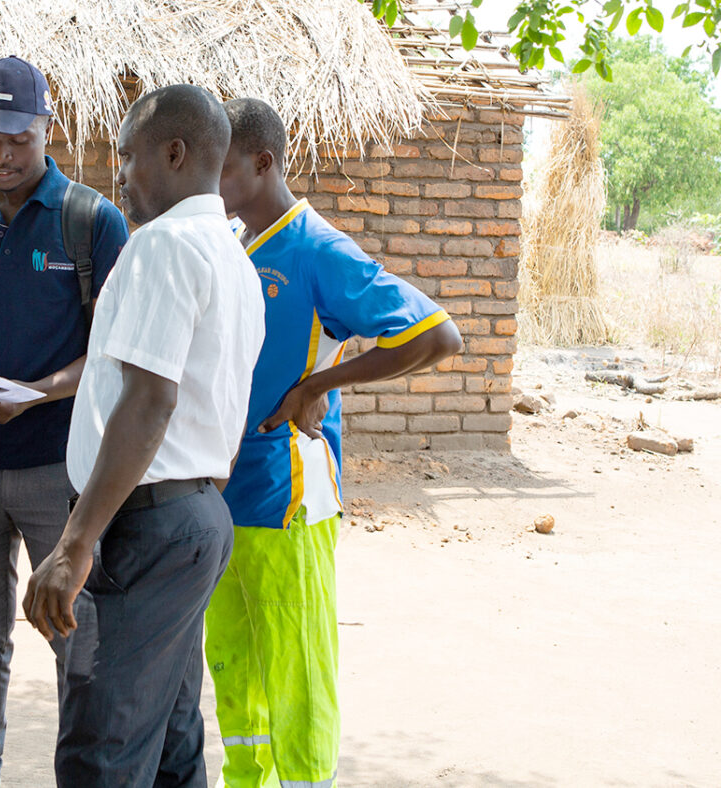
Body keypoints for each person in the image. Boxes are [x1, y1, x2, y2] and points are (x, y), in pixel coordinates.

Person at [206, 97, 463, 788]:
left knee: (298, 672)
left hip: (288, 495)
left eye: (222, 167)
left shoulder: (317, 249)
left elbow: (436, 335)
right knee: (236, 665)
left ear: (263, 164)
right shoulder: (232, 246)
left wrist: (321, 383)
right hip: (223, 495)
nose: (210, 181)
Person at [23, 84, 263, 787]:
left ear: (175, 153)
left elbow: (151, 400)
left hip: (144, 527)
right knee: (169, 739)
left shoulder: (162, 245)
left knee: (103, 748)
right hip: (192, 521)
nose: (118, 176)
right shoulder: (231, 256)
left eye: (126, 157)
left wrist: (74, 544)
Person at [0, 55, 128, 787]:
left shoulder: (91, 221)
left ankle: (87, 777)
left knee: (77, 640)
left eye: (16, 138)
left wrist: (39, 393)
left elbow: (114, 354)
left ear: (47, 128)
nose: (1, 156)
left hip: (60, 468)